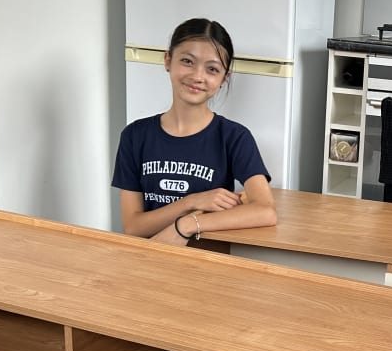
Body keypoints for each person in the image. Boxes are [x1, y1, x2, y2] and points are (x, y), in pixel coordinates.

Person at [112, 17, 277, 246]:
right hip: (150, 260)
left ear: (224, 78)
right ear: (167, 60)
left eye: (212, 69)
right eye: (187, 61)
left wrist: (187, 225)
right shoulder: (134, 136)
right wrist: (190, 203)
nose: (198, 76)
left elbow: (265, 211)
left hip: (209, 262)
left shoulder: (234, 137)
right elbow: (133, 227)